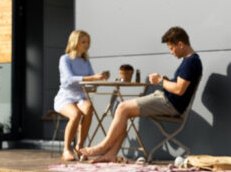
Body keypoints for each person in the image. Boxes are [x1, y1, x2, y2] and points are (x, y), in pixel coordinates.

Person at [79, 26, 202, 163]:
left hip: (169, 103)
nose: (171, 52)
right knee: (124, 110)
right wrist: (166, 81)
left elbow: (179, 89)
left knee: (122, 108)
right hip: (165, 98)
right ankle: (111, 154)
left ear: (180, 44)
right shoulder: (190, 61)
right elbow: (180, 85)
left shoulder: (191, 62)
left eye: (171, 48)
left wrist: (160, 81)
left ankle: (103, 147)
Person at [54, 30, 108, 161]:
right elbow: (68, 80)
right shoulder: (65, 59)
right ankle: (66, 150)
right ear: (75, 42)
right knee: (76, 114)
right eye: (83, 42)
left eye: (88, 42)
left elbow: (91, 80)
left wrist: (100, 79)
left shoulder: (86, 61)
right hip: (66, 97)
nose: (87, 45)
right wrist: (93, 78)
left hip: (80, 96)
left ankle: (79, 147)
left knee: (89, 108)